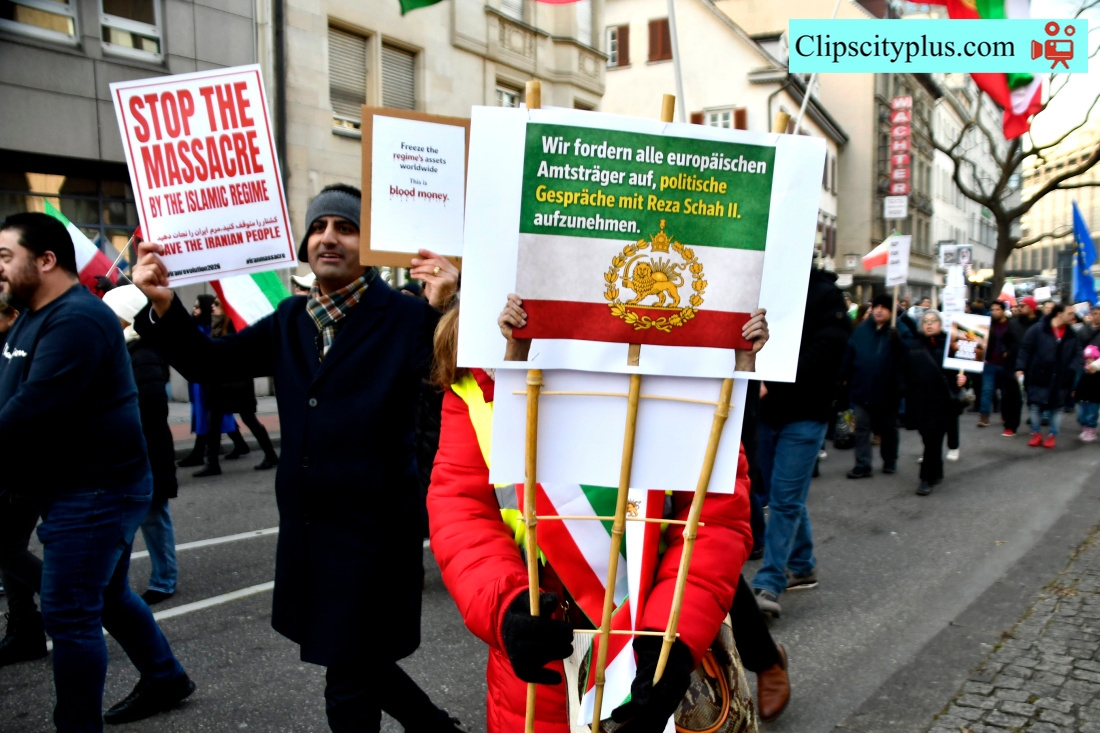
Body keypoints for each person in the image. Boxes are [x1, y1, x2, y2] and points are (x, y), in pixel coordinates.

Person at [131, 183, 464, 732]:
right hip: (311, 531)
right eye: (318, 227)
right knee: (355, 658)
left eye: (346, 228)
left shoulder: (407, 316)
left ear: (369, 245)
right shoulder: (291, 318)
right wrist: (164, 305)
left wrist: (448, 305)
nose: (328, 238)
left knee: (348, 683)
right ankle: (438, 728)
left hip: (375, 534)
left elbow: (456, 377)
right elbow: (213, 364)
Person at [427, 298, 762, 732]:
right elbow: (462, 509)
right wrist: (503, 604)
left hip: (654, 634)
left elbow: (716, 516)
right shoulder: (479, 366)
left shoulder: (684, 355)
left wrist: (675, 634)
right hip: (542, 638)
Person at [0, 212, 194, 729]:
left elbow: (31, 410)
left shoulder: (77, 319)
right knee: (105, 594)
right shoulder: (33, 315)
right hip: (74, 483)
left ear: (46, 260)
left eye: (5, 257)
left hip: (95, 489)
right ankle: (164, 675)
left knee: (69, 612)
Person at [752, 267, 850, 617]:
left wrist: (771, 382)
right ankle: (803, 564)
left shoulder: (825, 294)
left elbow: (828, 350)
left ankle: (769, 581)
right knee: (784, 495)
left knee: (783, 501)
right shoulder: (765, 286)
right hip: (767, 412)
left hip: (805, 414)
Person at [102, 285, 181, 606]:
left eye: (111, 312)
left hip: (145, 452)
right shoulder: (120, 349)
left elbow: (150, 407)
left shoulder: (142, 352)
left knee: (153, 517)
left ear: (126, 315)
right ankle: (113, 581)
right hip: (127, 452)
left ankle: (164, 579)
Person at [0, 296, 48, 669]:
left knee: (7, 547)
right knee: (8, 547)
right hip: (13, 463)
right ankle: (24, 627)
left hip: (23, 465)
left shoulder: (24, 345)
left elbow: (28, 405)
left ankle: (71, 601)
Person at [192, 295, 280, 476]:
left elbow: (236, 353)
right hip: (220, 384)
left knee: (248, 420)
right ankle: (213, 463)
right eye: (213, 304)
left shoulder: (233, 325)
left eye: (217, 304)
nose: (213, 307)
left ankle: (270, 455)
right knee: (213, 422)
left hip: (236, 384)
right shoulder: (215, 325)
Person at [903, 311, 967, 496]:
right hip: (919, 401)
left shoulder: (951, 345)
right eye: (925, 321)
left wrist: (963, 378)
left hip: (942, 403)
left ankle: (925, 479)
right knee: (927, 438)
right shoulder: (914, 345)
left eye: (933, 321)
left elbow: (962, 369)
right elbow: (904, 371)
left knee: (932, 439)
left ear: (940, 324)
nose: (929, 324)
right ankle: (936, 470)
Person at [843, 294, 906, 479]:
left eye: (884, 307)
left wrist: (898, 342)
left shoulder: (898, 329)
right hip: (863, 388)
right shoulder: (861, 330)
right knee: (862, 428)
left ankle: (889, 460)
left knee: (888, 429)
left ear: (891, 311)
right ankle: (863, 464)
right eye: (876, 307)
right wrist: (843, 375)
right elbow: (849, 353)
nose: (879, 310)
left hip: (888, 391)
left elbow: (908, 356)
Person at [176, 294, 242, 467]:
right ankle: (239, 443)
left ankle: (200, 453)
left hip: (208, 377)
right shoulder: (197, 326)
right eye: (194, 306)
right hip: (199, 377)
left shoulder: (213, 327)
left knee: (209, 413)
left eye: (198, 307)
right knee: (213, 413)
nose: (194, 310)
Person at [1016, 302, 1080, 449]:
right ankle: (1036, 433)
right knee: (1034, 405)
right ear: (1059, 314)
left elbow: (1078, 353)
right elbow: (1025, 349)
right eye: (1070, 313)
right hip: (1039, 374)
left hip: (1061, 377)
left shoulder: (1072, 334)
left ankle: (1052, 435)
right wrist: (1020, 368)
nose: (1073, 316)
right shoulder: (1038, 329)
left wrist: (1071, 369)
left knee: (1057, 407)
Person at [1003, 296, 1039, 437]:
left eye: (1023, 306)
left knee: (1034, 398)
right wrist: (1005, 351)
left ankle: (1035, 426)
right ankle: (1010, 426)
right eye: (1019, 305)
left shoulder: (1040, 325)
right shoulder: (1013, 323)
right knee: (1012, 398)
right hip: (1014, 365)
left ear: (1031, 308)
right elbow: (1005, 340)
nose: (1019, 308)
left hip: (1034, 367)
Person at [978, 301, 1013, 428]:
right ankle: (984, 416)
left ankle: (1005, 415)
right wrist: (983, 356)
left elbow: (1015, 342)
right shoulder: (987, 324)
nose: (994, 312)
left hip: (1006, 364)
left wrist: (1009, 353)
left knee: (1005, 392)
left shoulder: (1011, 324)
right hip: (990, 362)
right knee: (987, 390)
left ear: (1003, 310)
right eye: (992, 310)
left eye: (997, 309)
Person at [1076, 345, 1100, 442]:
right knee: (1081, 415)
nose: (1088, 361)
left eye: (1091, 358)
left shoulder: (1098, 373)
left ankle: (1091, 431)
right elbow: (1080, 383)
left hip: (1094, 398)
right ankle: (1085, 429)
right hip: (1084, 398)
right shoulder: (1084, 371)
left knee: (1091, 415)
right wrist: (1077, 392)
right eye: (1087, 359)